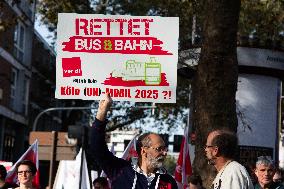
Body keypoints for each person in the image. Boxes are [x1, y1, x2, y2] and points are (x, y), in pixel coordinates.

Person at [90, 94, 178, 189]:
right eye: (159, 149)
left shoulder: (168, 181)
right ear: (144, 151)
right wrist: (102, 112)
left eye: (165, 149)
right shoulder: (120, 170)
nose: (164, 153)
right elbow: (97, 147)